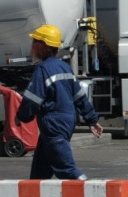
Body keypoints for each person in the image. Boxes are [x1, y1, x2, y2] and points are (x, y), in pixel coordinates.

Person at [15, 24, 103, 180]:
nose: (32, 46)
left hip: (53, 124)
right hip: (67, 120)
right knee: (39, 174)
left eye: (35, 42)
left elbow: (32, 100)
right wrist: (92, 120)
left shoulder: (43, 69)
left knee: (66, 169)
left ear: (42, 46)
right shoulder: (65, 67)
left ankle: (89, 191)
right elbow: (79, 96)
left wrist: (22, 116)